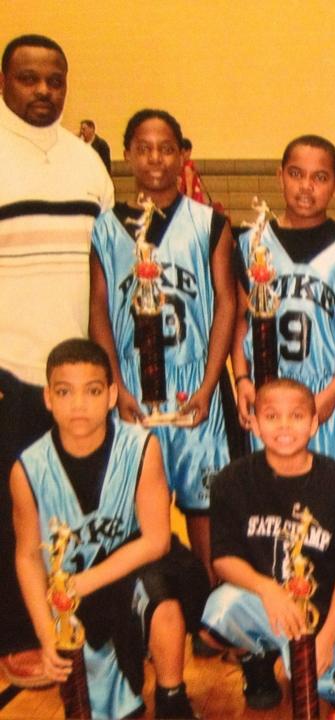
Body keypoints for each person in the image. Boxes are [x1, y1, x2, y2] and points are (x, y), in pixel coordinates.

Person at [0, 33, 114, 687]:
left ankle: (85, 626)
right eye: (28, 78)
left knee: (76, 514)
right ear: (5, 80)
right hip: (9, 372)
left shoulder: (86, 164)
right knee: (14, 515)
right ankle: (19, 638)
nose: (43, 91)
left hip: (78, 382)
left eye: (54, 80)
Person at [11, 339, 206, 719]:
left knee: (162, 596)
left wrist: (86, 582)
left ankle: (172, 697)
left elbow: (156, 540)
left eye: (93, 390)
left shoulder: (141, 447)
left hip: (131, 568)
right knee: (105, 710)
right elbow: (26, 556)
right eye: (65, 392)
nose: (79, 404)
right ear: (48, 398)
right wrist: (45, 631)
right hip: (74, 594)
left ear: (112, 394)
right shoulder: (27, 469)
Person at [89, 108, 236, 584]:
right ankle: (148, 609)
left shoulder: (209, 223)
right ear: (128, 153)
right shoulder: (107, 227)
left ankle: (214, 611)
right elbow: (100, 313)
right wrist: (115, 386)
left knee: (205, 505)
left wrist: (211, 385)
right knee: (137, 507)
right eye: (145, 148)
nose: (156, 158)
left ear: (182, 155)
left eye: (167, 148)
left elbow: (227, 306)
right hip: (133, 384)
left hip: (195, 384)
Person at [200, 378, 335, 717]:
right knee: (218, 612)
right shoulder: (231, 481)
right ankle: (257, 655)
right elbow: (223, 559)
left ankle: (306, 657)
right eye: (271, 416)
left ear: (313, 423)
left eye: (296, 416)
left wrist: (327, 636)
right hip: (266, 605)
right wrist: (267, 589)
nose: (283, 426)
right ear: (253, 422)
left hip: (322, 611)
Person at [232, 135, 335, 470]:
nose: (306, 186)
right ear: (280, 175)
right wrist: (242, 379)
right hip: (267, 390)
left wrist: (333, 394)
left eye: (319, 177)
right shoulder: (252, 243)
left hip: (329, 395)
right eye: (296, 174)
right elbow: (240, 319)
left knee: (330, 500)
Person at [178, 138, 206, 204]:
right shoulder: (189, 165)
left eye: (183, 152)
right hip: (195, 199)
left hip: (193, 200)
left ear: (189, 151)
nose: (181, 155)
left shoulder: (187, 167)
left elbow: (189, 189)